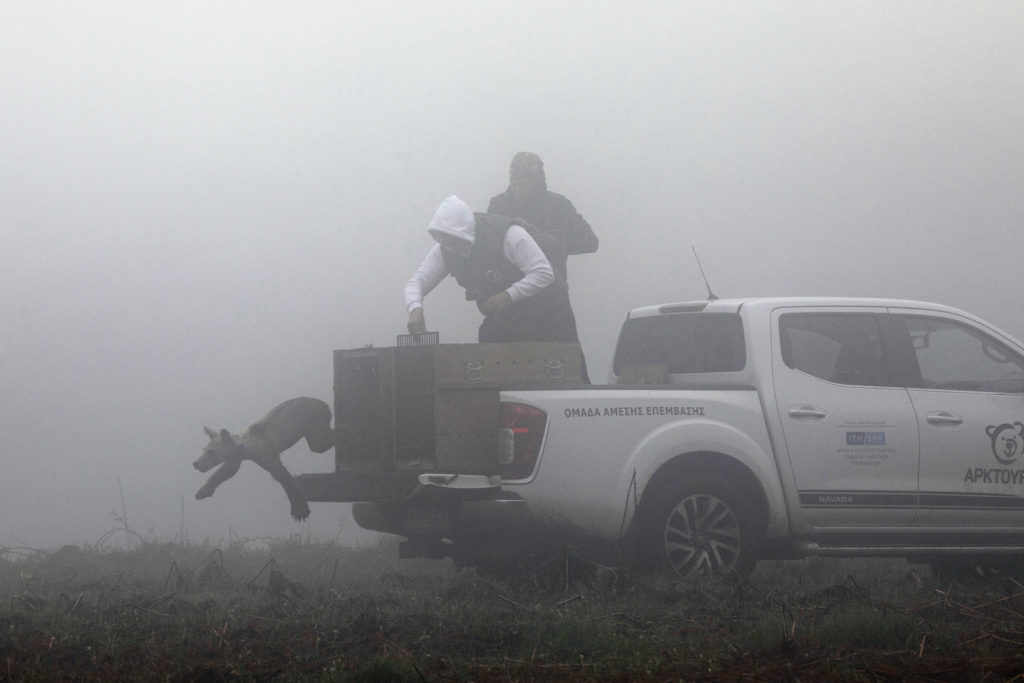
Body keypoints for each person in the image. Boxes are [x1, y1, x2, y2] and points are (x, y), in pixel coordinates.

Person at [405, 195, 579, 344]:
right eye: (441, 237)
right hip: (505, 318)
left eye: (451, 238)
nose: (447, 245)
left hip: (549, 314)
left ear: (464, 232)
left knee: (563, 376)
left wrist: (508, 295)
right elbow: (417, 282)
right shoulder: (445, 248)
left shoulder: (509, 235)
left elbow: (543, 273)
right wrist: (415, 308)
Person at [488, 152, 598, 379]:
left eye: (527, 175)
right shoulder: (498, 205)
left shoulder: (558, 205)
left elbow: (590, 242)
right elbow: (489, 247)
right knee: (501, 377)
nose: (520, 181)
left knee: (570, 373)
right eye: (516, 175)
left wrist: (551, 242)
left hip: (552, 303)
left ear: (540, 178)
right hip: (510, 303)